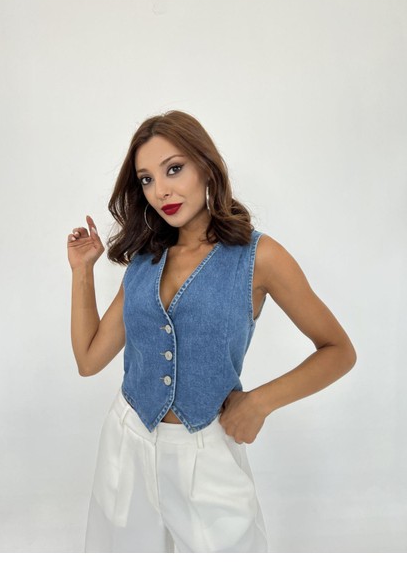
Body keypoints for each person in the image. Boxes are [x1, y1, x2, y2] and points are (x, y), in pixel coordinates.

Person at [68, 110, 357, 553]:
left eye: (174, 169)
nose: (161, 190)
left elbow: (338, 350)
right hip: (127, 445)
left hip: (207, 452)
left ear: (206, 166)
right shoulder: (144, 259)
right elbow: (89, 360)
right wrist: (82, 271)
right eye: (146, 179)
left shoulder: (260, 257)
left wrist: (259, 402)